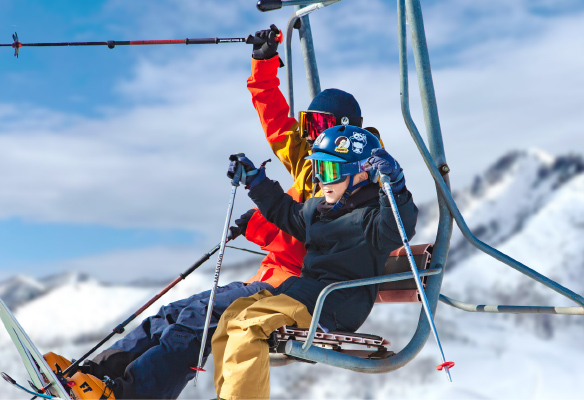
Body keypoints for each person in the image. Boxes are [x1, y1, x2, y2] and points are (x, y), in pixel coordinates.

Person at [43, 24, 370, 400]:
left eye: (323, 126)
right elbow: (277, 123)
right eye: (310, 125)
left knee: (195, 323)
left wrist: (260, 224)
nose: (314, 136)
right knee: (170, 314)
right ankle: (92, 375)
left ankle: (130, 393)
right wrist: (263, 64)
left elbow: (309, 239)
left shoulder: (351, 184)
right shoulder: (310, 165)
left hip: (293, 291)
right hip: (268, 280)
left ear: (348, 135)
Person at [212, 125, 418, 400]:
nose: (321, 180)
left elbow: (398, 227)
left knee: (248, 326)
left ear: (360, 173)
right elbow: (284, 212)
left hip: (335, 305)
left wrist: (396, 186)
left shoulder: (373, 219)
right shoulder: (318, 211)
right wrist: (255, 181)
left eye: (330, 171)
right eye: (318, 169)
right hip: (305, 295)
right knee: (229, 318)